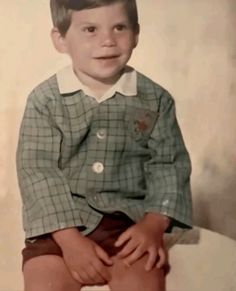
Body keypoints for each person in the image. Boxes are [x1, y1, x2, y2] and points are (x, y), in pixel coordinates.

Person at [16, 0, 192, 290]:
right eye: (90, 29)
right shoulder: (45, 100)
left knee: (144, 278)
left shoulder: (156, 99)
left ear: (136, 33)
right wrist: (69, 240)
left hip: (126, 223)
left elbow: (169, 164)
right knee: (44, 280)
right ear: (60, 39)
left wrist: (153, 224)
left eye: (119, 27)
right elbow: (37, 170)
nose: (108, 41)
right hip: (60, 225)